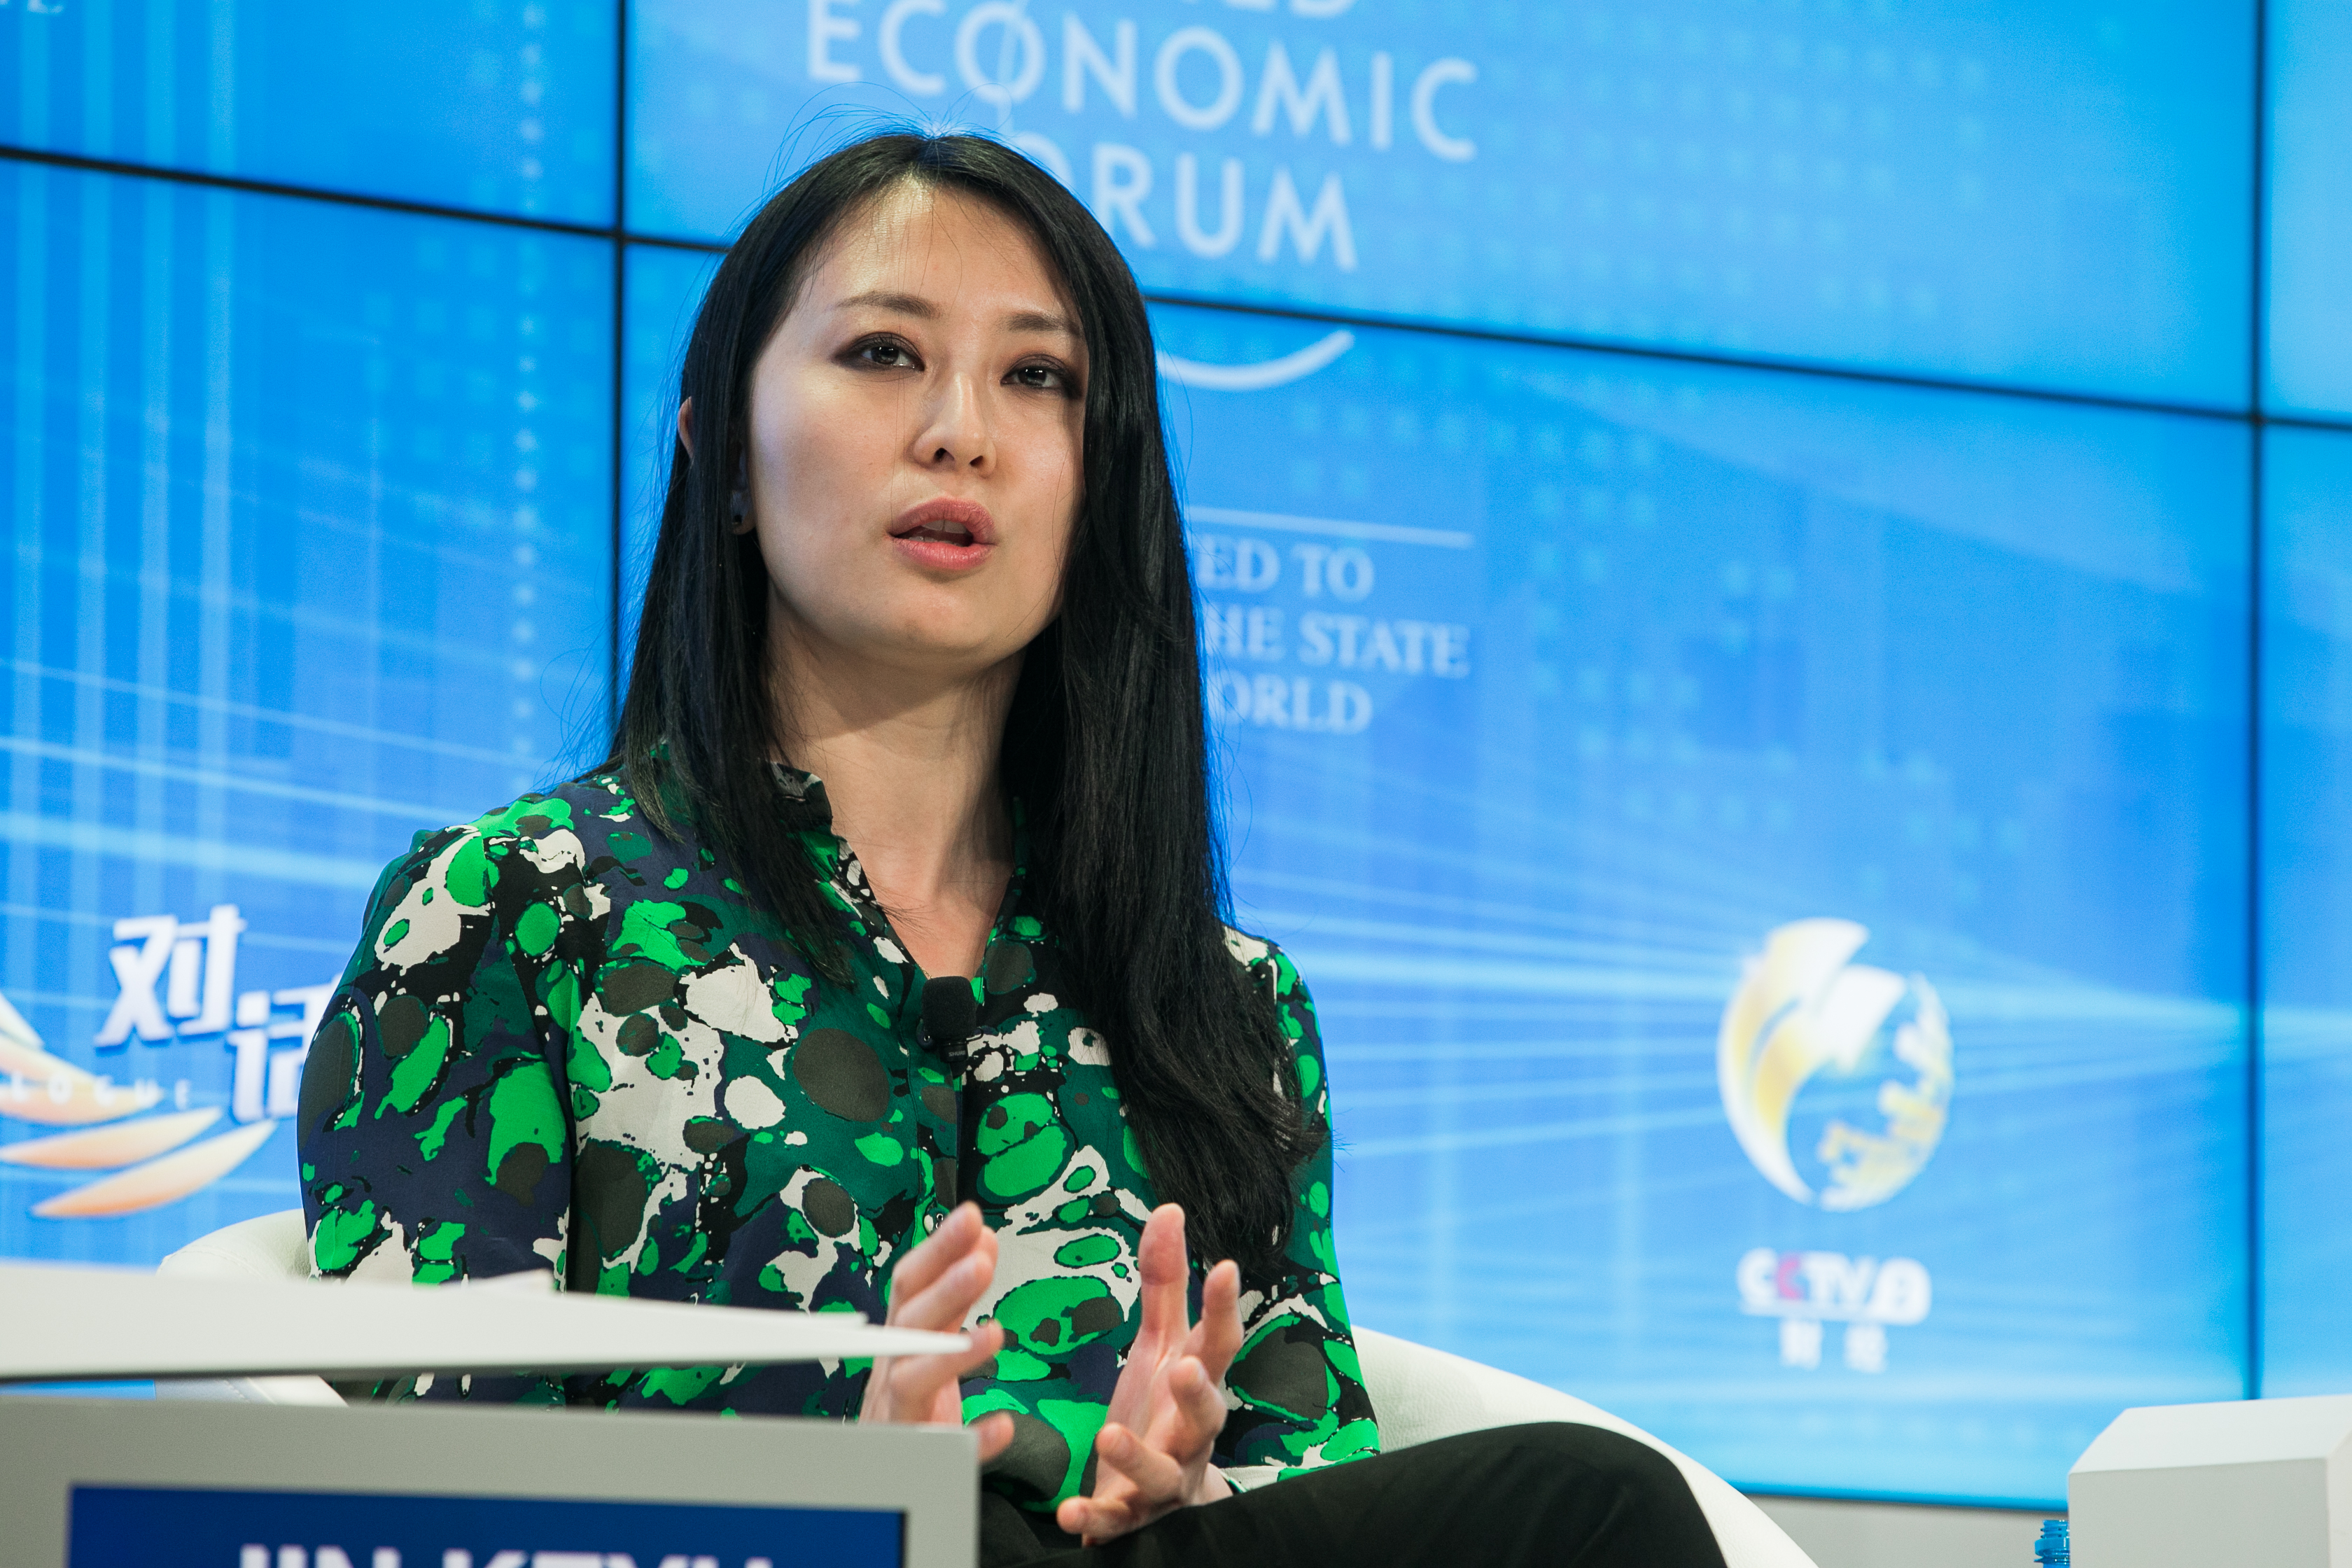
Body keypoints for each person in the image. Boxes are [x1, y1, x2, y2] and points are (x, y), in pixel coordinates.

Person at [297, 131, 1728, 1567]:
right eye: (882, 355)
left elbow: (1312, 1468)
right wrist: (834, 1501)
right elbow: (431, 1467)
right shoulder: (515, 906)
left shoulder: (1223, 1004)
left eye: (1036, 377)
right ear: (723, 457)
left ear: (1096, 488)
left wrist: (1192, 1499)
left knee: (1591, 1507)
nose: (961, 431)